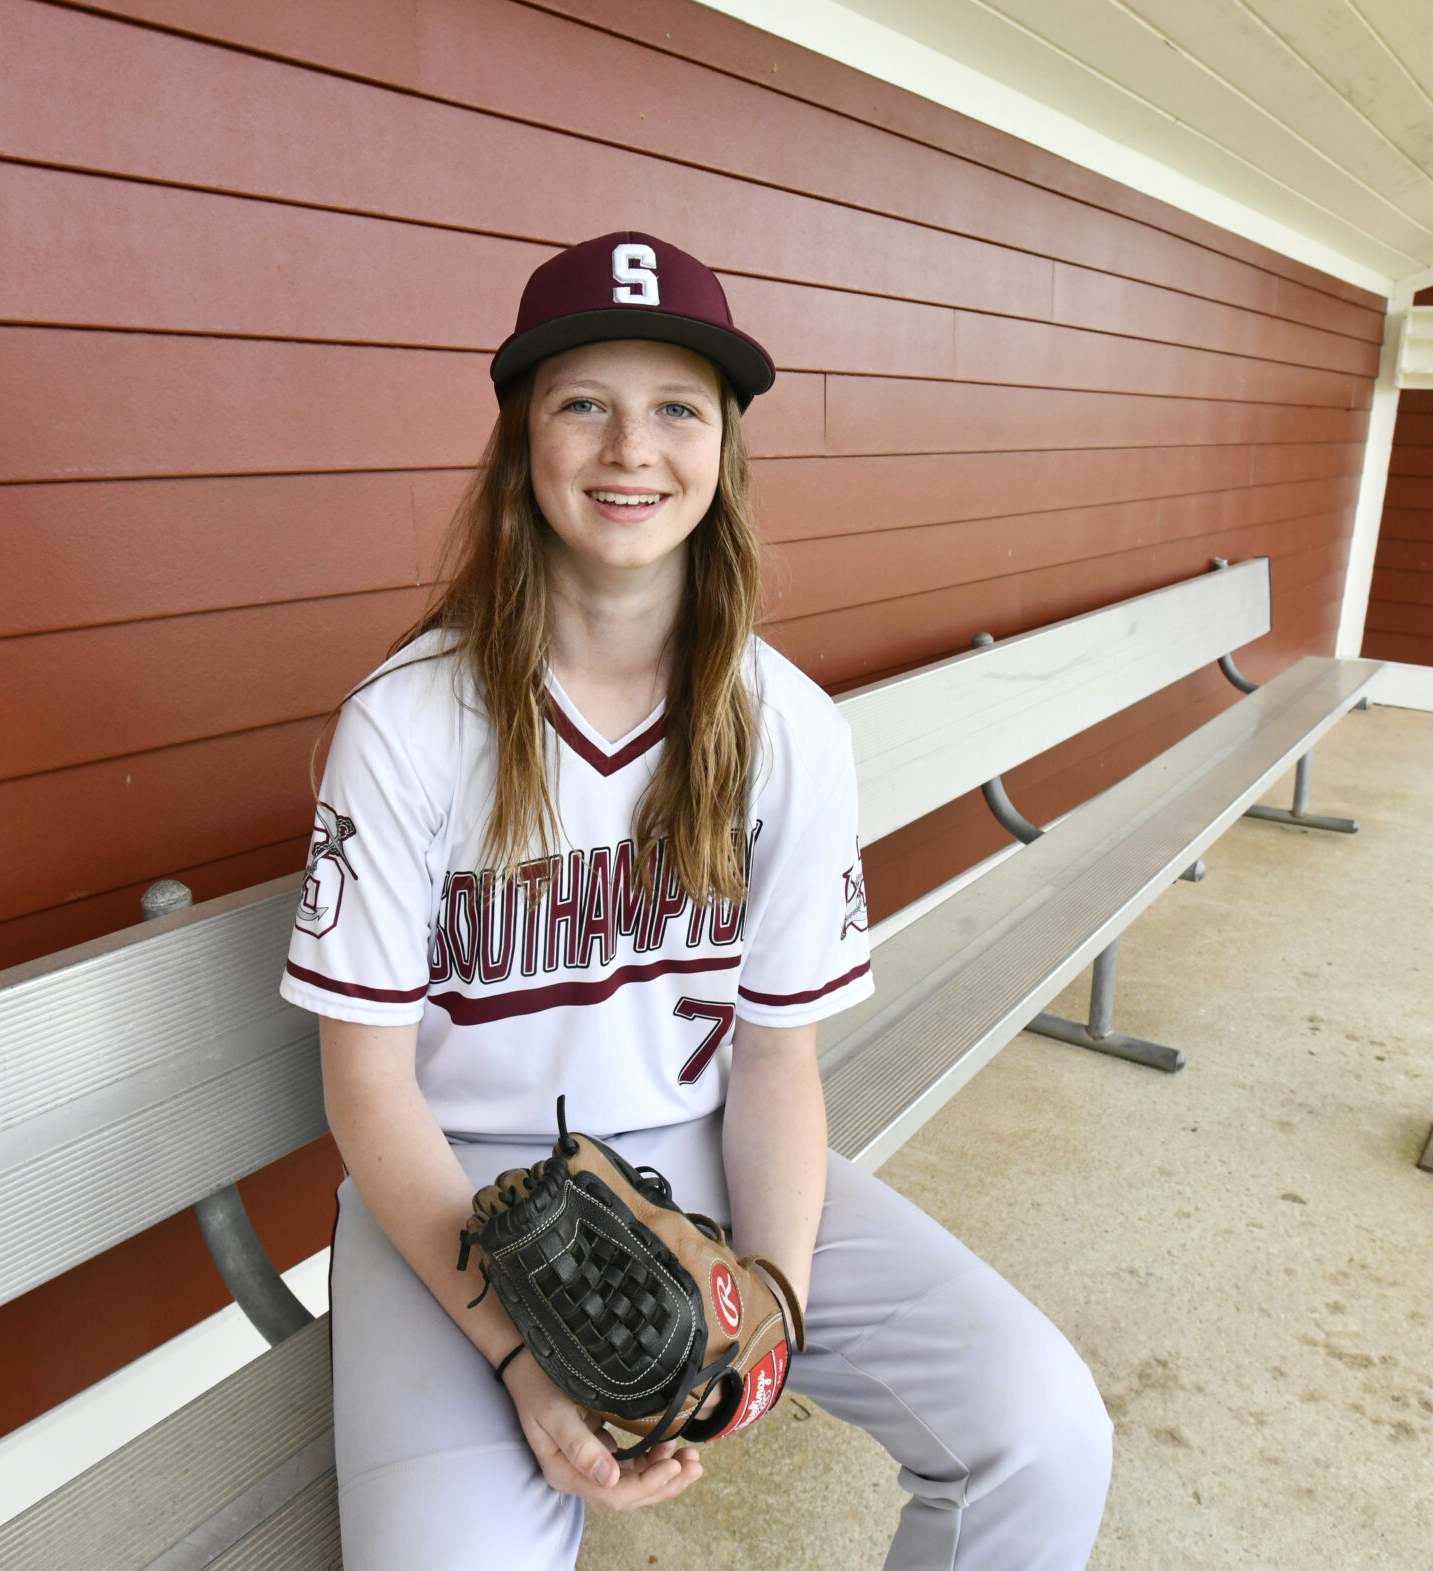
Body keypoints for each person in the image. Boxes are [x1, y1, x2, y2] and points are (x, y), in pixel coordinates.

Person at [281, 232, 1112, 1570]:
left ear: (723, 447)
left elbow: (777, 1053)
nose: (631, 449)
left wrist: (771, 1303)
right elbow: (369, 1086)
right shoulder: (412, 721)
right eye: (582, 404)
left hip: (715, 1158)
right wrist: (520, 1358)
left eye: (676, 407)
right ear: (522, 436)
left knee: (1044, 1430)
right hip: (465, 1197)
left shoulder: (782, 723)